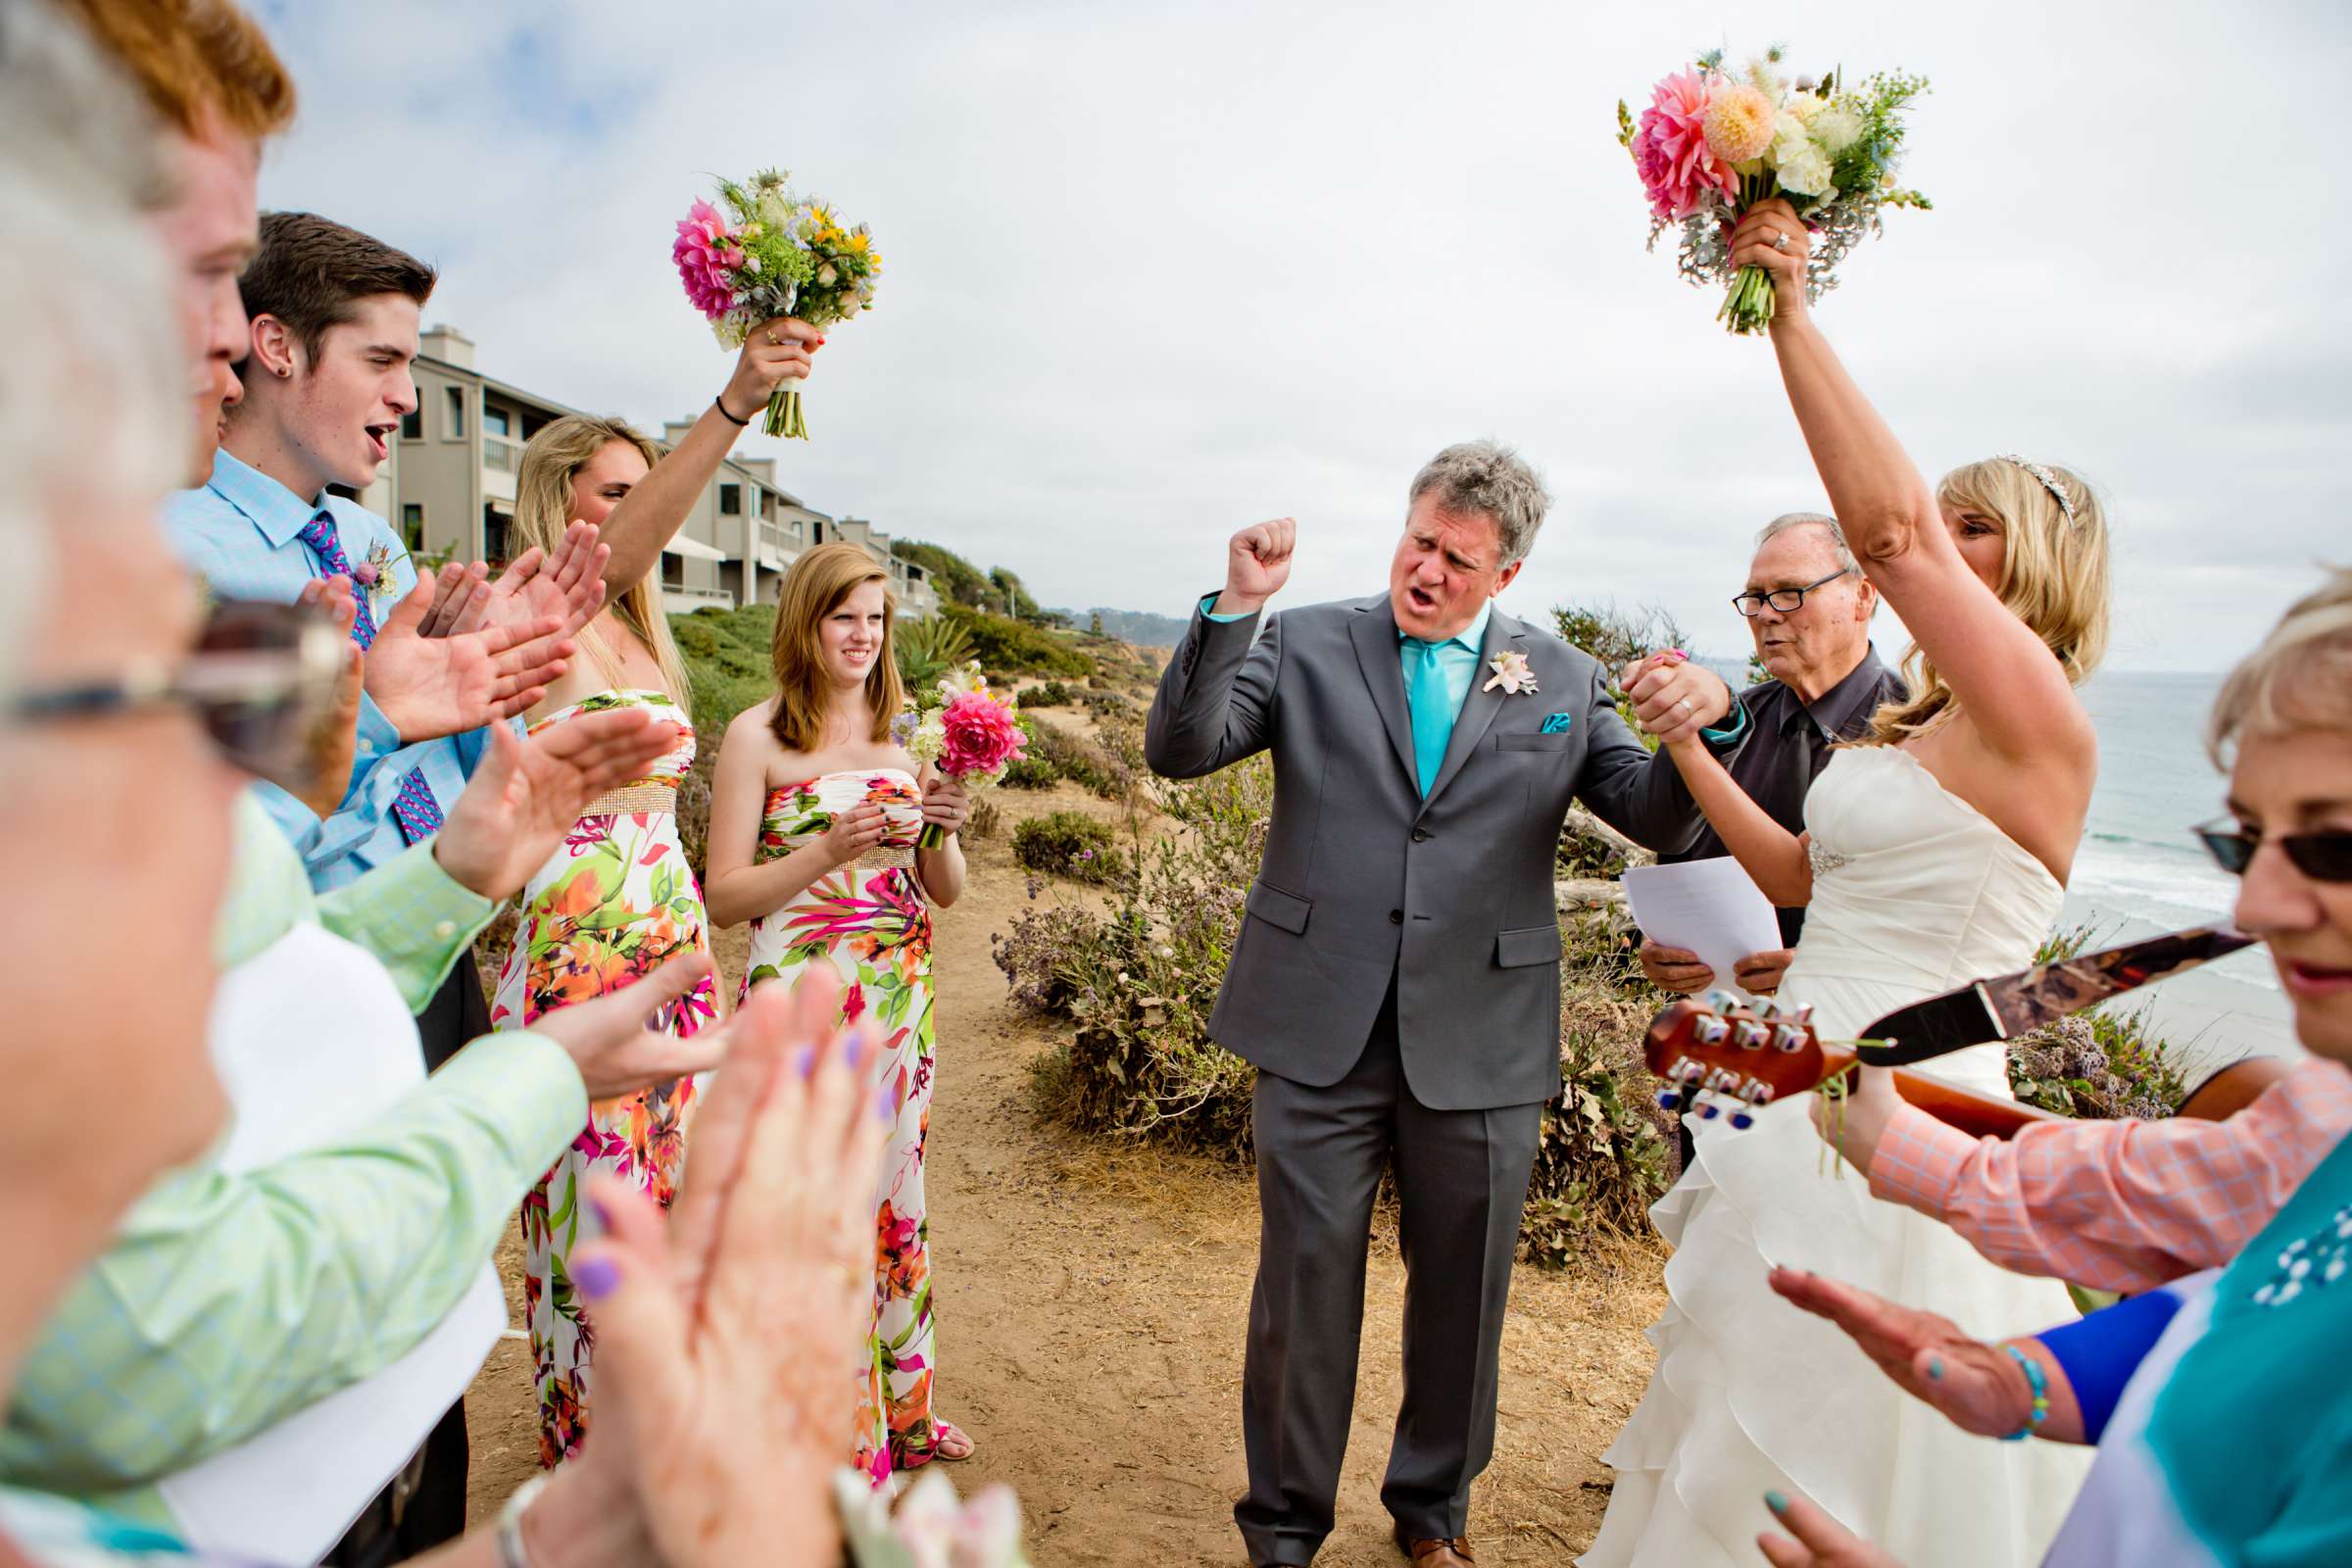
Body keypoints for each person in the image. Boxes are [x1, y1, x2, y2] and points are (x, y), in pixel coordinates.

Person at [0, 16, 1019, 1560]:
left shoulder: (359, 559)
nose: (221, 331)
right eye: (206, 274)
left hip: (440, 982)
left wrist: (433, 792)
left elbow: (256, 853)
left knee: (404, 1465)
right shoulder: (133, 579)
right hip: (442, 1021)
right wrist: (521, 1050)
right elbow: (127, 1340)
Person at [1585, 202, 2109, 1567]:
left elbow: (1889, 540)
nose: (1942, 533)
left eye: (1971, 524)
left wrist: (1792, 310)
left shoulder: (2041, 728)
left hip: (1914, 1114)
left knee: (1863, 1444)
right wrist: (1692, 749)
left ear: (2033, 566)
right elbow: (1801, 869)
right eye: (1950, 517)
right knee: (1732, 1419)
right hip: (1782, 1098)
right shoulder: (1922, 733)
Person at [1143, 442, 1741, 1568]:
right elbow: (1183, 749)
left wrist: (1702, 719)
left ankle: (1432, 1516)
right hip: (1315, 1023)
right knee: (1303, 1290)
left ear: (1505, 575)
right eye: (1419, 541)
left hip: (1484, 1035)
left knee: (1464, 1297)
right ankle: (1282, 1529)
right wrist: (1235, 607)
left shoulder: (1561, 679)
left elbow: (1661, 816)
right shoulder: (1308, 640)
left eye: (1458, 561)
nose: (1427, 571)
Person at [1753, 566, 2352, 1568]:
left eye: (2331, 844)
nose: (2257, 909)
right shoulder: (2324, 1117)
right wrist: (2026, 1379)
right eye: (2248, 840)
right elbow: (2225, 1288)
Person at [163, 208, 611, 1067]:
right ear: (278, 347)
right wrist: (375, 715)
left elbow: (440, 773)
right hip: (281, 976)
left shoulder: (377, 547)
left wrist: (491, 695)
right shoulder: (177, 548)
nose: (406, 395)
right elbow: (212, 838)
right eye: (382, 361)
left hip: (429, 947)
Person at [492, 365, 820, 1470]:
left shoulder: (641, 633)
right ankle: (594, 1458)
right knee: (598, 1206)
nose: (634, 508)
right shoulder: (540, 606)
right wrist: (735, 400)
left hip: (668, 936)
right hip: (581, 945)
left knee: (676, 1200)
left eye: (643, 487)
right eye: (611, 490)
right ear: (558, 501)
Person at [705, 541, 976, 1482]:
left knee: (895, 1198)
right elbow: (725, 896)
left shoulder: (908, 741)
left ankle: (906, 1410)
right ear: (806, 624)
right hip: (804, 998)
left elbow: (944, 891)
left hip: (901, 997)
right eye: (843, 617)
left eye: (876, 619)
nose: (862, 636)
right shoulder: (758, 737)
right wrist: (826, 850)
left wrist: (940, 827)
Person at [1639, 513, 1903, 1000]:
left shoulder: (1917, 729)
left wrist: (1839, 964)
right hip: (1724, 1030)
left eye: (1790, 592)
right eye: (1756, 598)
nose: (1767, 614)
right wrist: (1662, 950)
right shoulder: (1731, 723)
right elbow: (1683, 868)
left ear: (1863, 596)